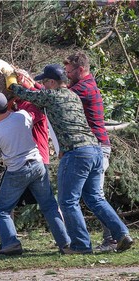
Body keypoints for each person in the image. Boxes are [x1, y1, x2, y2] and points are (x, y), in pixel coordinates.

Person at [5, 64, 134, 254]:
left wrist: (10, 78)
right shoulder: (73, 96)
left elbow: (22, 94)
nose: (44, 85)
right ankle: (122, 233)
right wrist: (31, 82)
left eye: (45, 82)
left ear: (51, 82)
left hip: (76, 153)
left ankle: (81, 246)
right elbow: (40, 94)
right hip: (95, 150)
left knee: (67, 202)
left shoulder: (51, 95)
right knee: (95, 198)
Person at [0, 91, 70, 255]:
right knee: (49, 206)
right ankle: (65, 243)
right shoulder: (23, 116)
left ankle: (11, 243)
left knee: (3, 210)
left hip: (16, 170)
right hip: (37, 164)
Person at [63, 52, 115, 252]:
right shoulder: (83, 86)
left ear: (81, 70)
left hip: (96, 147)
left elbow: (60, 97)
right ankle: (113, 237)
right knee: (93, 195)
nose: (67, 75)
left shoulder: (83, 88)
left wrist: (31, 86)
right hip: (95, 147)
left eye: (70, 72)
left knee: (95, 196)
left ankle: (113, 238)